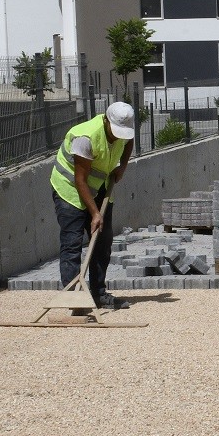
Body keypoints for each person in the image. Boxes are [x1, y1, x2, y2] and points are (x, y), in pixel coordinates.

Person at [49, 102, 136, 310]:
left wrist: (122, 166)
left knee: (103, 242)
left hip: (100, 189)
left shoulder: (126, 131)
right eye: (115, 132)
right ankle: (74, 300)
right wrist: (95, 213)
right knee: (72, 243)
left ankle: (98, 294)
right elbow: (80, 180)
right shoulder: (85, 138)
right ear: (106, 120)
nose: (118, 137)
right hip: (70, 190)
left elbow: (129, 142)